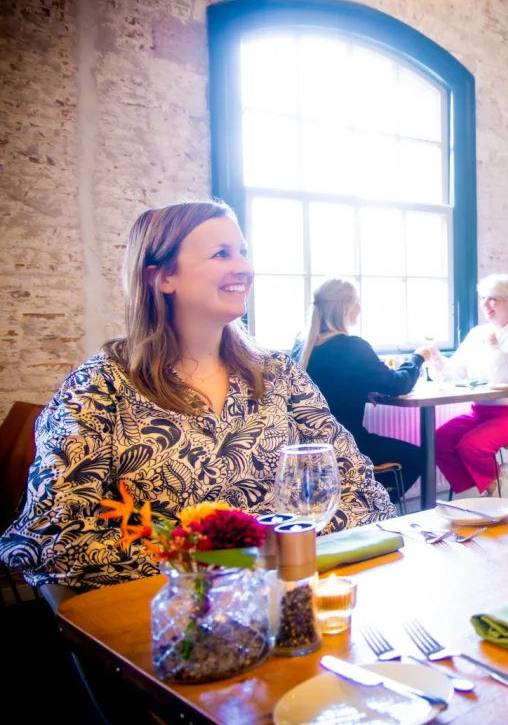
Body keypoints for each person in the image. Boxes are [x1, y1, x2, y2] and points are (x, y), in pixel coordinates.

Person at [0, 201, 396, 606]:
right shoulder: (100, 386)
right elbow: (56, 536)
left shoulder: (279, 374)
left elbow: (360, 489)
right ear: (162, 277)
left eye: (242, 251)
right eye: (221, 253)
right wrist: (227, 564)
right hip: (171, 621)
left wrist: (279, 558)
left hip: (294, 603)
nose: (244, 266)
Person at [292, 278, 426, 505]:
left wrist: (361, 390)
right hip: (348, 444)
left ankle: (357, 504)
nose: (360, 308)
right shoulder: (352, 346)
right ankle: (374, 506)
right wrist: (418, 357)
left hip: (306, 444)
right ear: (345, 307)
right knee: (419, 456)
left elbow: (329, 383)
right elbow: (399, 384)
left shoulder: (302, 344)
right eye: (357, 302)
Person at [420, 274, 508, 496]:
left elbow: (502, 377)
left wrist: (493, 344)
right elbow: (456, 372)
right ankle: (481, 493)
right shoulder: (477, 333)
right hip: (481, 412)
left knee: (472, 446)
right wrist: (437, 358)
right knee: (439, 440)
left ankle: (495, 492)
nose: (485, 304)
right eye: (484, 298)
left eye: (493, 299)